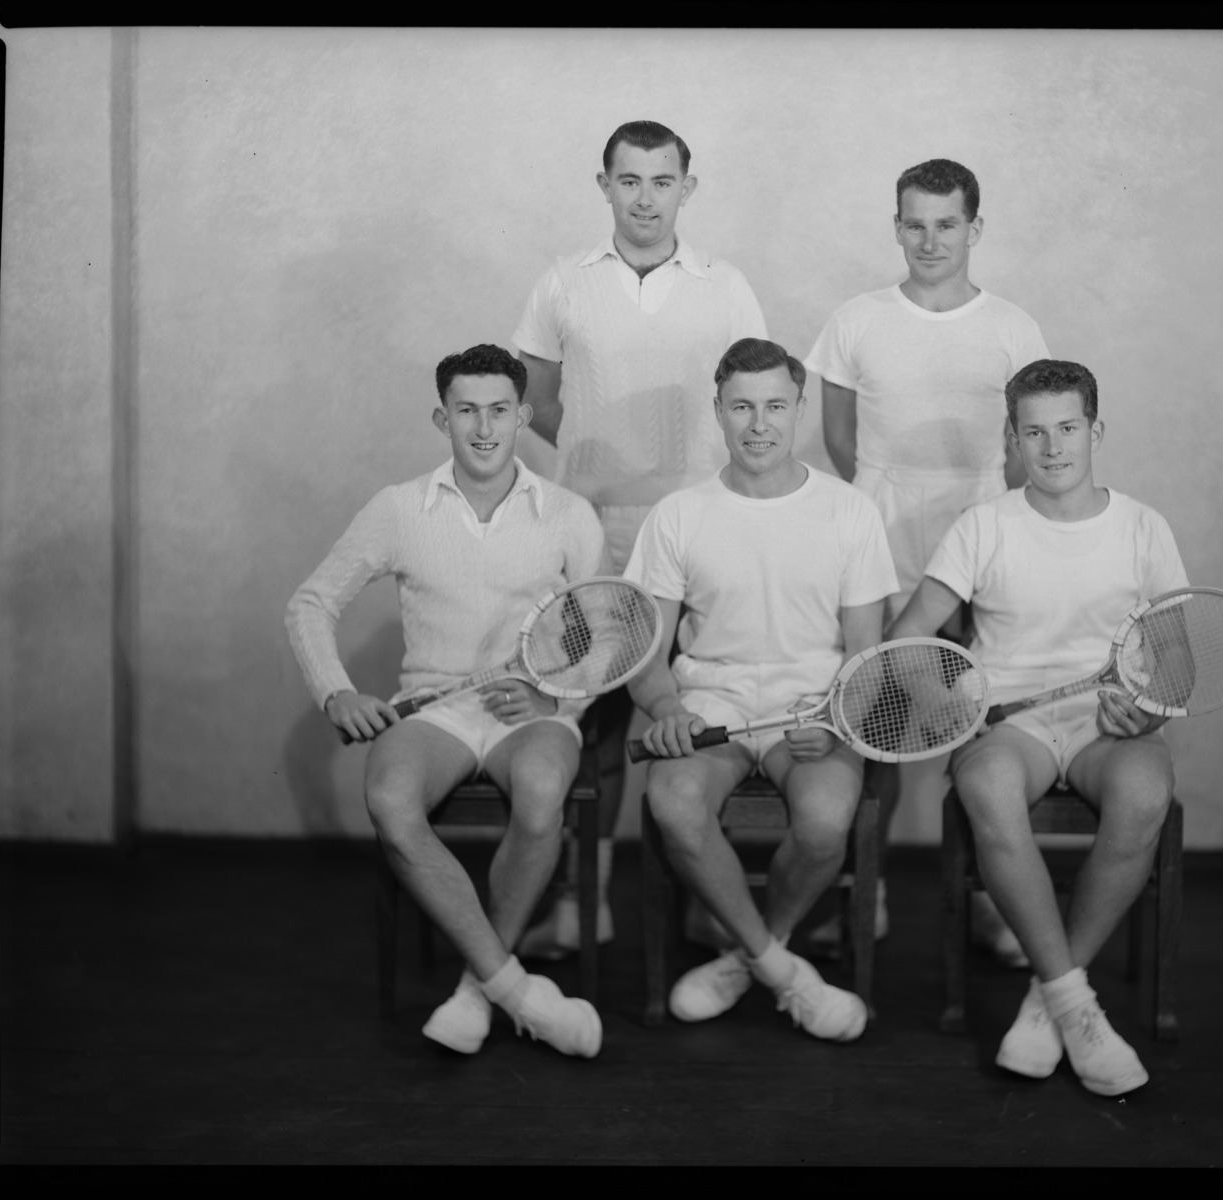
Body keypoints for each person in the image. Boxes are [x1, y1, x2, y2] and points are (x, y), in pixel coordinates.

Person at [285, 344, 606, 1059]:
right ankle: (510, 990)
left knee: (544, 786)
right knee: (391, 802)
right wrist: (335, 692)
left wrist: (551, 690)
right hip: (435, 712)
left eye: (499, 411)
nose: (484, 428)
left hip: (535, 713)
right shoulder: (399, 509)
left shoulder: (567, 513)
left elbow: (606, 634)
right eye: (466, 411)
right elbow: (310, 603)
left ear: (523, 415)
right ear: (442, 417)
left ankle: (471, 989)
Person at [887, 359, 1188, 1096]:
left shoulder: (1142, 527)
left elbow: (1178, 655)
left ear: (1095, 430)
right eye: (1033, 432)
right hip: (1009, 725)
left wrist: (1148, 709)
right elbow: (905, 642)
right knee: (985, 788)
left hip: (1106, 722)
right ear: (1012, 439)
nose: (1052, 448)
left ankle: (1050, 995)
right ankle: (1074, 1000)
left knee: (1146, 795)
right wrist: (947, 701)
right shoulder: (983, 526)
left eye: (1067, 428)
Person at [512, 120, 769, 957]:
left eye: (662, 181)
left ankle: (700, 902)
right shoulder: (562, 283)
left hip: (697, 533)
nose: (645, 198)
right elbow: (539, 402)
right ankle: (585, 901)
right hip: (595, 532)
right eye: (629, 181)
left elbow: (748, 398)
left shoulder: (725, 286)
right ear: (604, 186)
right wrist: (600, 459)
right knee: (592, 725)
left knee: (691, 715)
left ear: (686, 189)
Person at [804, 158, 1049, 963]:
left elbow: (1021, 449)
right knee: (868, 720)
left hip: (978, 555)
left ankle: (986, 901)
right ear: (896, 226)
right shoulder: (855, 320)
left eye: (947, 224)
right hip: (878, 555)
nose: (929, 239)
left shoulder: (1013, 327)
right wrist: (885, 512)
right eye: (914, 223)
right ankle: (862, 896)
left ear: (974, 229)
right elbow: (840, 441)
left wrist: (975, 533)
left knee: (976, 726)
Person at [623, 337, 898, 1040]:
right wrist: (664, 708)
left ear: (799, 408)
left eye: (775, 405)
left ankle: (749, 954)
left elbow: (866, 654)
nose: (758, 423)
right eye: (741, 406)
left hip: (815, 703)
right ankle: (782, 970)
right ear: (717, 410)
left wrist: (840, 720)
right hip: (710, 701)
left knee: (824, 825)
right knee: (673, 804)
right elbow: (646, 654)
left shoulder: (848, 513)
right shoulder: (678, 515)